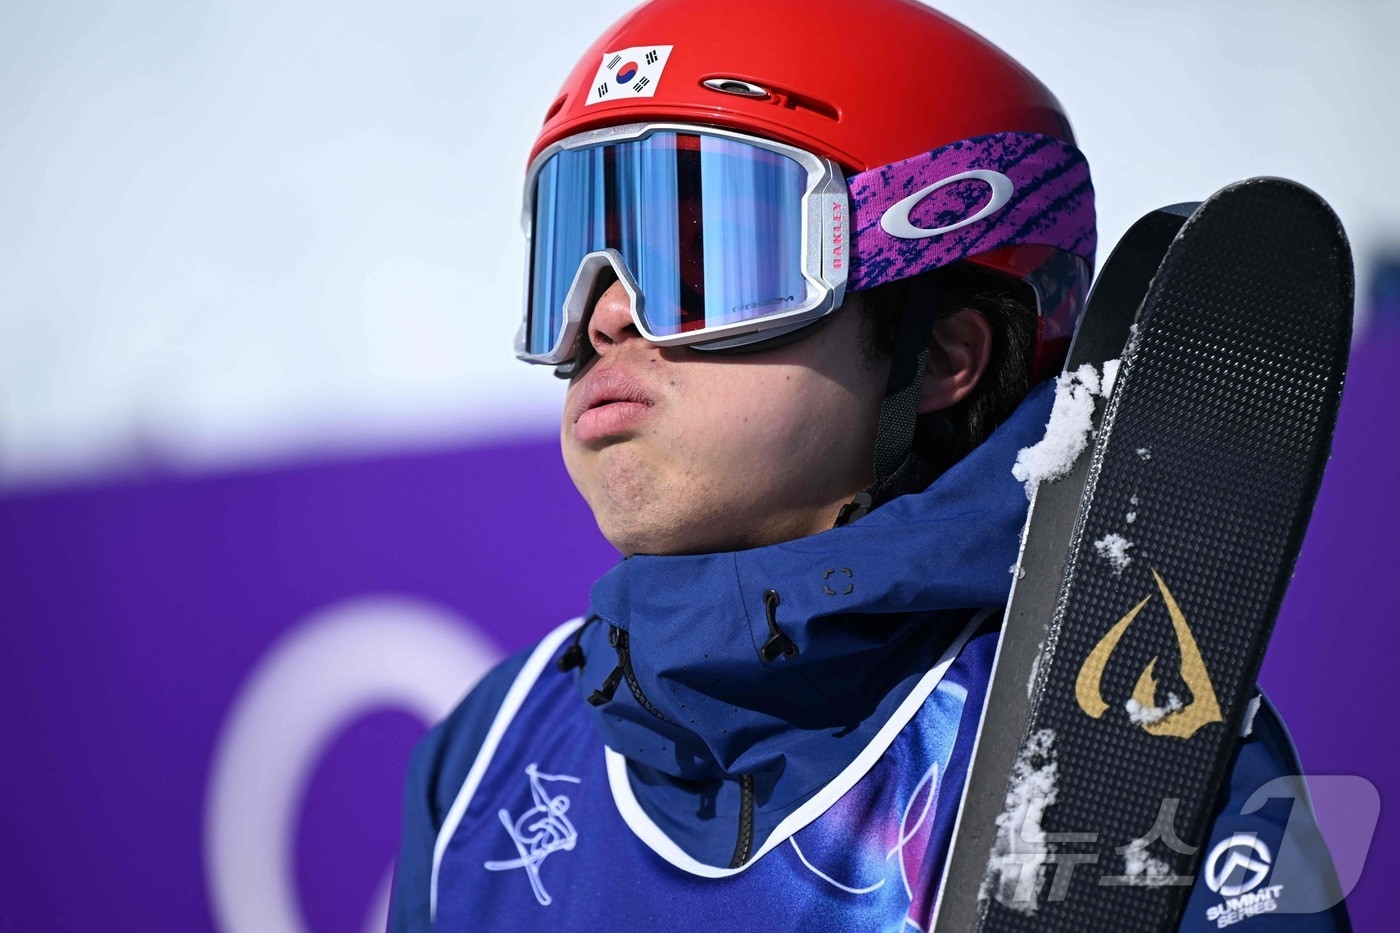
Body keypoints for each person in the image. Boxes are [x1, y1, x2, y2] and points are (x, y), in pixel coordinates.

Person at [390, 0, 1350, 928]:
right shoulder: (489, 757)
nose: (604, 315)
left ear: (937, 357)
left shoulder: (1118, 738)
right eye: (579, 258)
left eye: (704, 257)